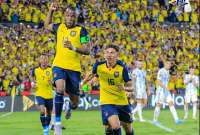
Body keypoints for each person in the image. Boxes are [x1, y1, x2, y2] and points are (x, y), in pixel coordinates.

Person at [44, 2, 90, 135]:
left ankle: (70, 107)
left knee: (75, 102)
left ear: (76, 17)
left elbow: (87, 50)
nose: (70, 18)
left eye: (72, 16)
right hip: (58, 65)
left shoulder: (82, 30)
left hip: (74, 70)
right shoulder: (59, 27)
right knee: (59, 88)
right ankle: (57, 123)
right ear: (64, 16)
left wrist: (74, 47)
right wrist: (51, 11)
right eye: (68, 15)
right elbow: (47, 26)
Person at [82, 45, 134, 135]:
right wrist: (82, 84)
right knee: (115, 126)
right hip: (107, 101)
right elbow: (91, 75)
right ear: (104, 54)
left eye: (112, 52)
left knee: (128, 130)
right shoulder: (98, 66)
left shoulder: (122, 67)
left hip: (122, 102)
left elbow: (131, 87)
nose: (109, 55)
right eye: (107, 52)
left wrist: (125, 88)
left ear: (117, 55)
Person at [153, 60, 183, 124]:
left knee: (171, 103)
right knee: (159, 105)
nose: (169, 65)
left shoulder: (168, 71)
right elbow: (158, 81)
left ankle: (176, 120)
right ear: (165, 64)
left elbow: (168, 80)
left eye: (170, 64)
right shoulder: (161, 71)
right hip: (160, 91)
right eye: (168, 64)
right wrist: (165, 87)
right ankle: (155, 120)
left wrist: (175, 78)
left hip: (166, 91)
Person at [31, 54, 53, 135]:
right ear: (40, 61)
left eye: (46, 59)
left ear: (48, 61)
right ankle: (45, 128)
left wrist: (53, 82)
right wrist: (33, 83)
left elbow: (55, 81)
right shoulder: (35, 70)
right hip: (40, 94)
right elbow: (32, 78)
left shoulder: (51, 69)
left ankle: (47, 128)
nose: (44, 61)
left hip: (49, 94)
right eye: (43, 59)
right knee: (42, 110)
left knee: (49, 113)